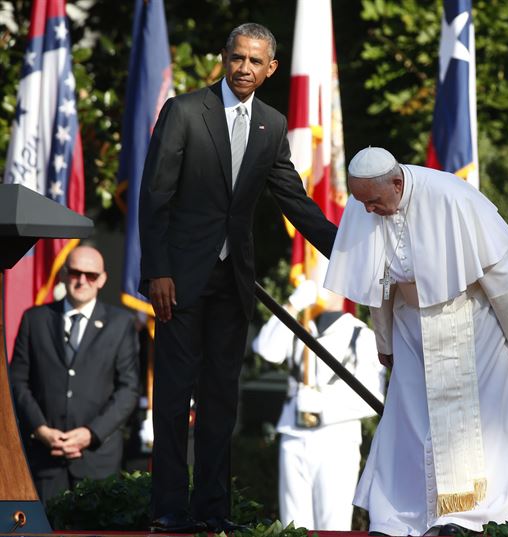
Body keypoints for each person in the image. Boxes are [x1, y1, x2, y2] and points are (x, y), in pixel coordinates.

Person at [138, 23, 337, 534]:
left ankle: (212, 512)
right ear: (225, 58)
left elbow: (294, 200)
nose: (245, 68)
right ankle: (167, 510)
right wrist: (156, 270)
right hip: (178, 281)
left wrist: (347, 249)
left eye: (256, 62)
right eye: (238, 58)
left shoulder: (272, 122)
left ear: (271, 69)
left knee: (222, 398)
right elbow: (155, 197)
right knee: (175, 393)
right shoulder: (184, 111)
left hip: (233, 283)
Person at [324, 147, 508, 536]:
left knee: (495, 415)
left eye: (375, 202)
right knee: (412, 421)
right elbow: (376, 285)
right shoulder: (367, 204)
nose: (367, 212)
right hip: (412, 329)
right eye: (361, 202)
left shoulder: (452, 196)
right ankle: (408, 517)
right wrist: (386, 343)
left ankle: (483, 515)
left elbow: (501, 270)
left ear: (397, 183)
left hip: (472, 323)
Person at [10, 245, 140, 505]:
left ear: (102, 279)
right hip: (44, 459)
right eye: (75, 273)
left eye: (91, 275)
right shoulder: (35, 319)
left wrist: (91, 433)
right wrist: (41, 429)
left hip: (98, 461)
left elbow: (128, 389)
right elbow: (17, 382)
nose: (82, 281)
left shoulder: (121, 323)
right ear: (63, 274)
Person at [252, 279, 386, 530]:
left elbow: (374, 399)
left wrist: (323, 407)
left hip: (336, 439)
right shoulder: (299, 327)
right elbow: (266, 349)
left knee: (332, 525)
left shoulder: (360, 335)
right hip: (294, 435)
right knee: (293, 526)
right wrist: (293, 304)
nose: (319, 288)